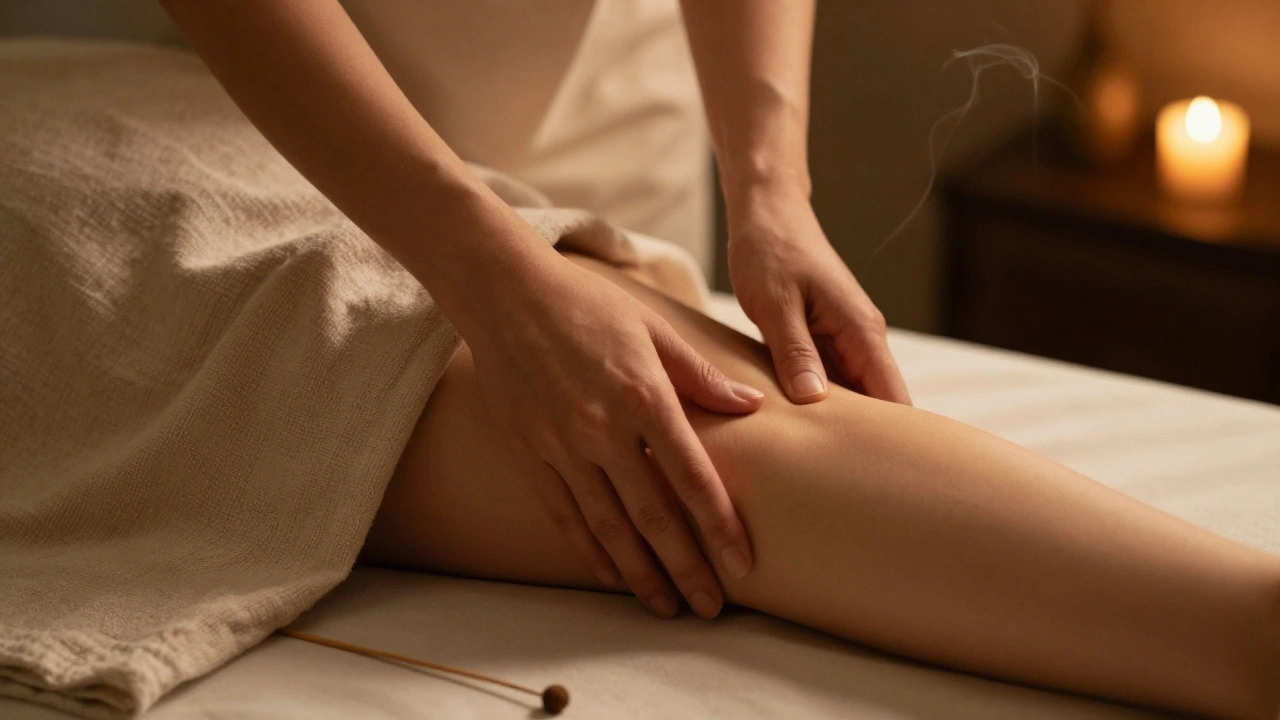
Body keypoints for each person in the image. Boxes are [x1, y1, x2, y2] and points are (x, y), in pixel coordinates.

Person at [158, 2, 1280, 718]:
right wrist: (487, 274)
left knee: (724, 423)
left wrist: (771, 191)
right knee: (698, 451)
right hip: (271, 130)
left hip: (592, 92)